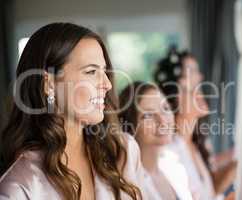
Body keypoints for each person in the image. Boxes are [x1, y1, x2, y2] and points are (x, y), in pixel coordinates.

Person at [0, 22, 147, 200]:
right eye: (91, 71)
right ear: (49, 84)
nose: (107, 85)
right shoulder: (20, 185)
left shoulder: (124, 152)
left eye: (105, 71)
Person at [154, 47, 236, 200]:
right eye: (188, 88)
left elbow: (210, 187)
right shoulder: (169, 152)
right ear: (172, 100)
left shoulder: (197, 142)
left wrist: (241, 160)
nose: (198, 90)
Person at [119, 81, 193, 200]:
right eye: (148, 115)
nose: (163, 121)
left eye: (165, 108)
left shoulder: (175, 167)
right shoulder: (127, 182)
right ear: (130, 127)